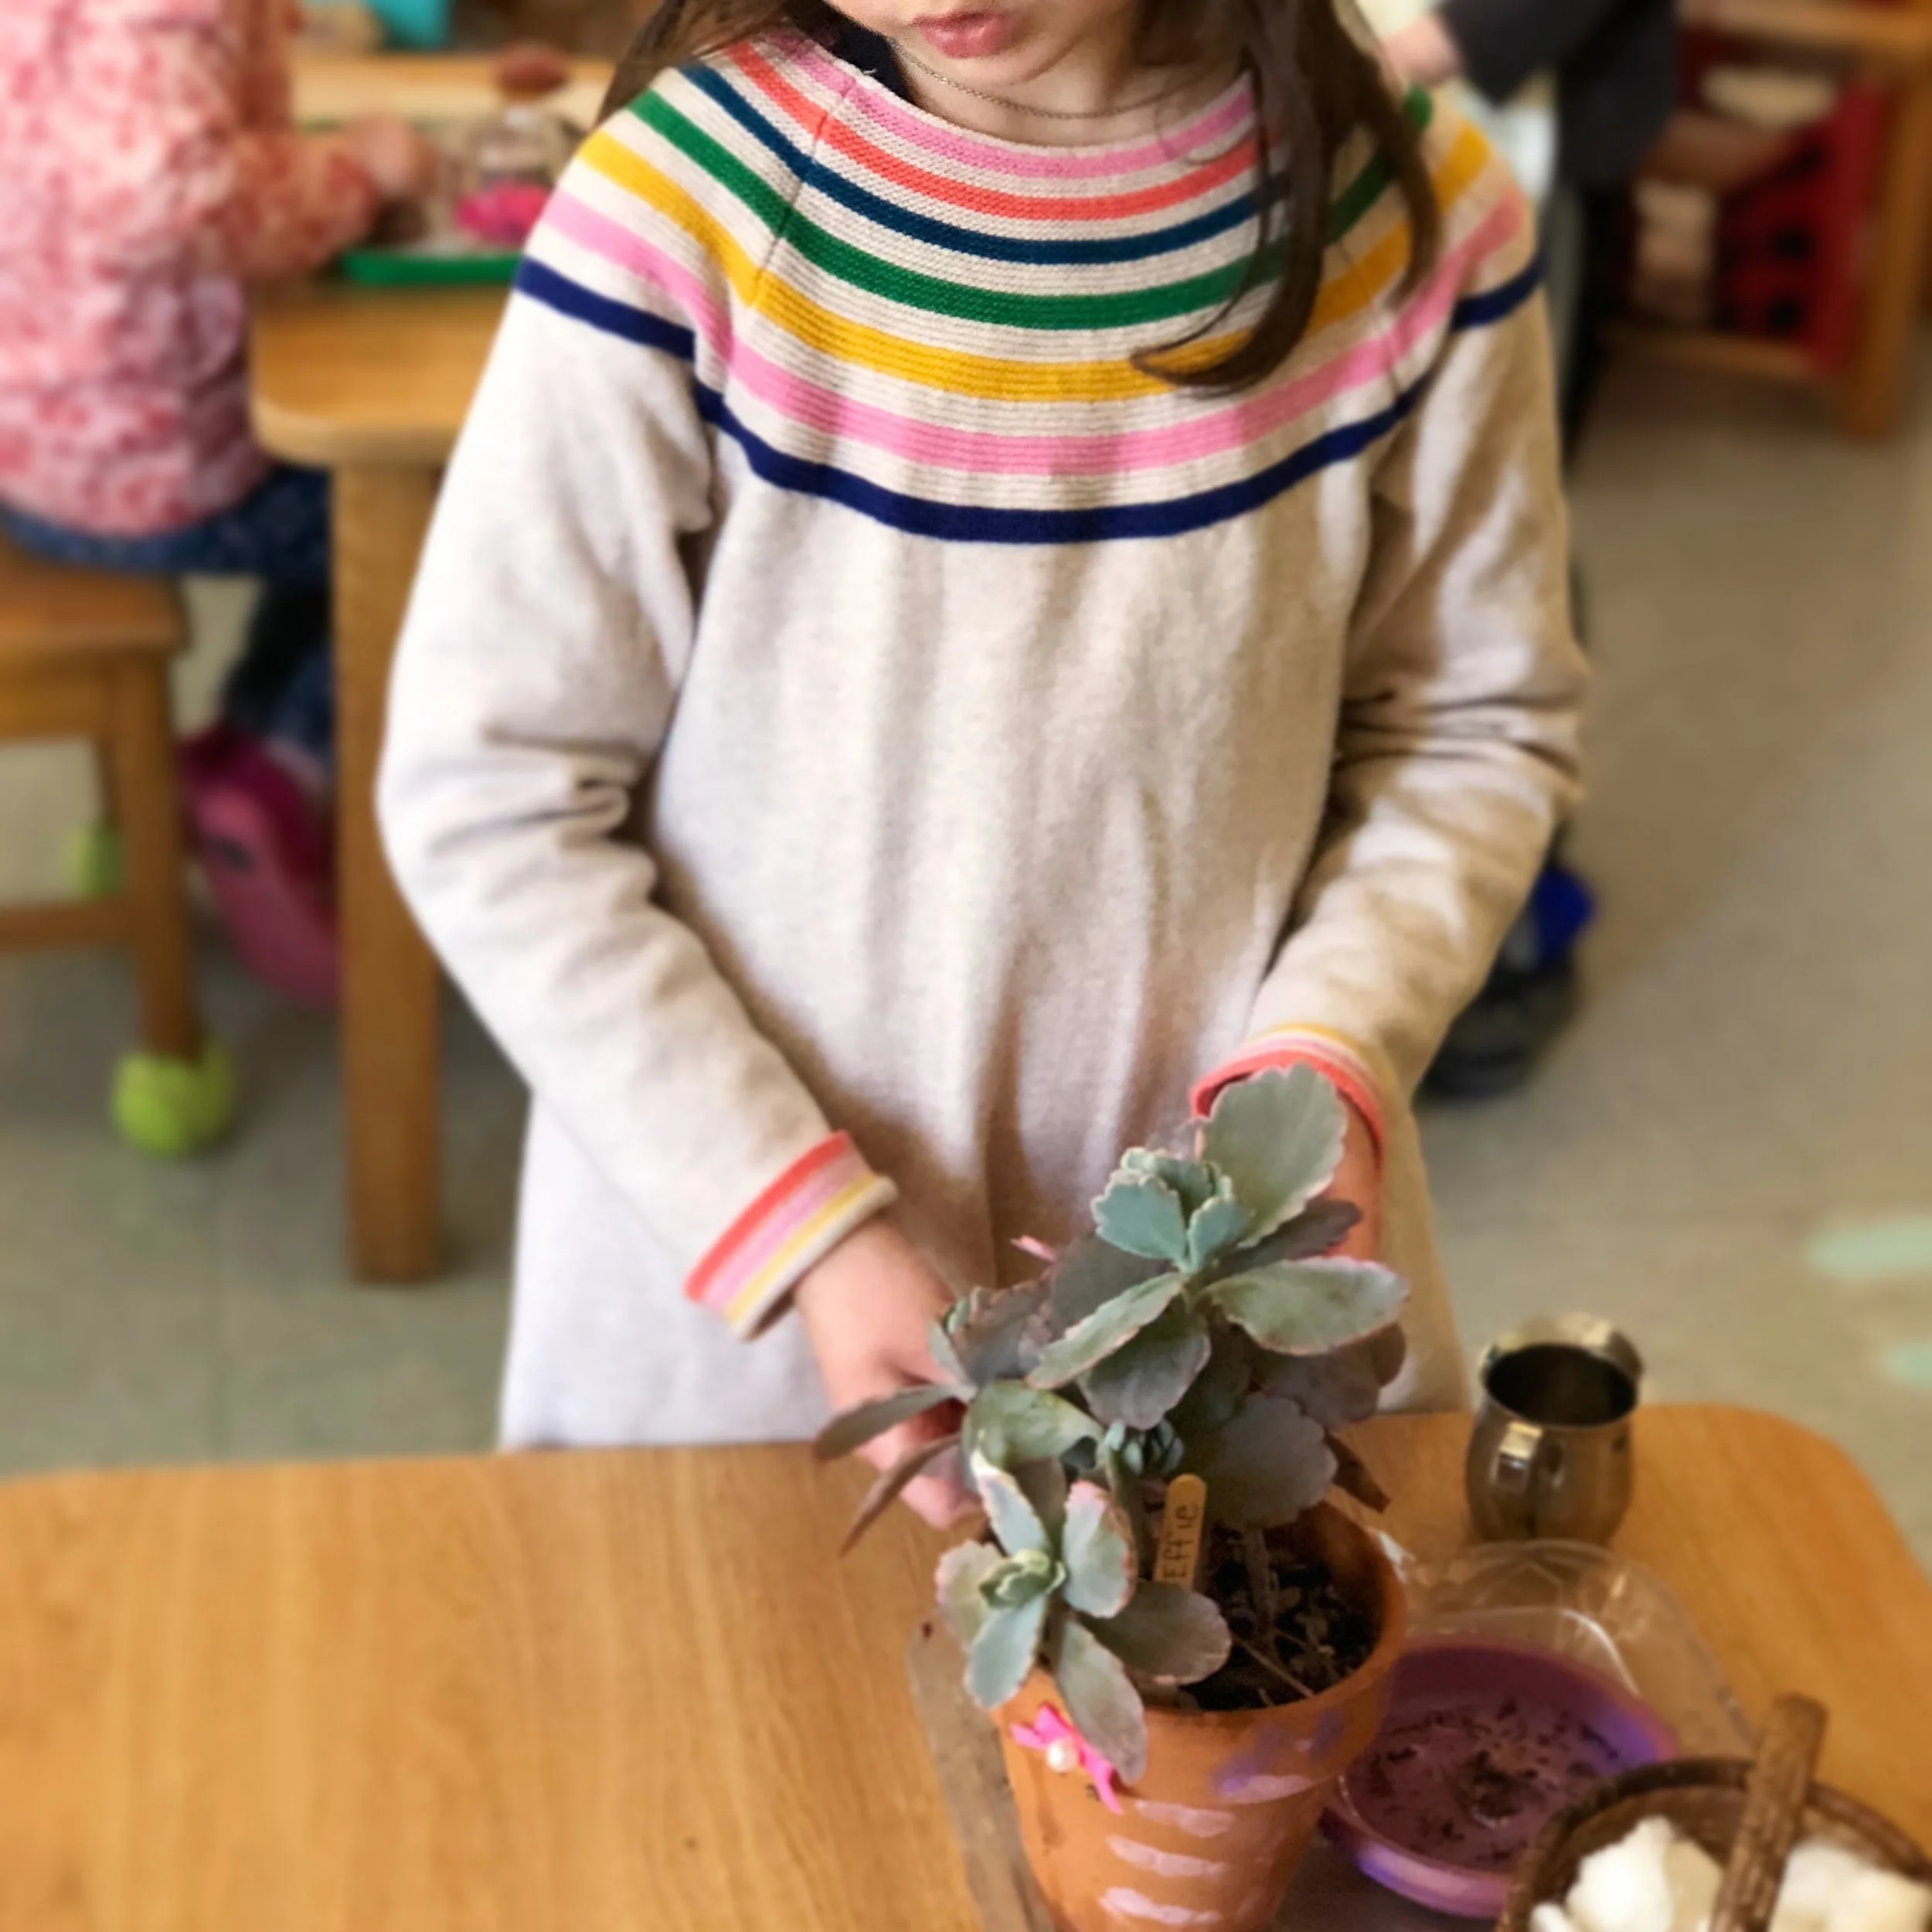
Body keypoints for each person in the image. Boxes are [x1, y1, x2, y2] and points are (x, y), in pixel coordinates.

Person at [379, 0, 1586, 1523]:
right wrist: (800, 1225)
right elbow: (488, 795)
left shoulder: (1410, 215)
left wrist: (1327, 1050)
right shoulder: (681, 206)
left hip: (1237, 1310)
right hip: (744, 1333)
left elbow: (1468, 723)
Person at [0, 0, 436, 1005]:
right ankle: (286, 762)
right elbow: (168, 193)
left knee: (334, 510)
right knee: (414, 515)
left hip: (35, 428)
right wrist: (357, 172)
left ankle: (242, 743)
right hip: (134, 460)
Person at [1384, 0, 1674, 1097]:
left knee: (1488, 537)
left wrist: (1406, 61)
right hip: (1261, 122)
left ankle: (1492, 940)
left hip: (1491, 129)